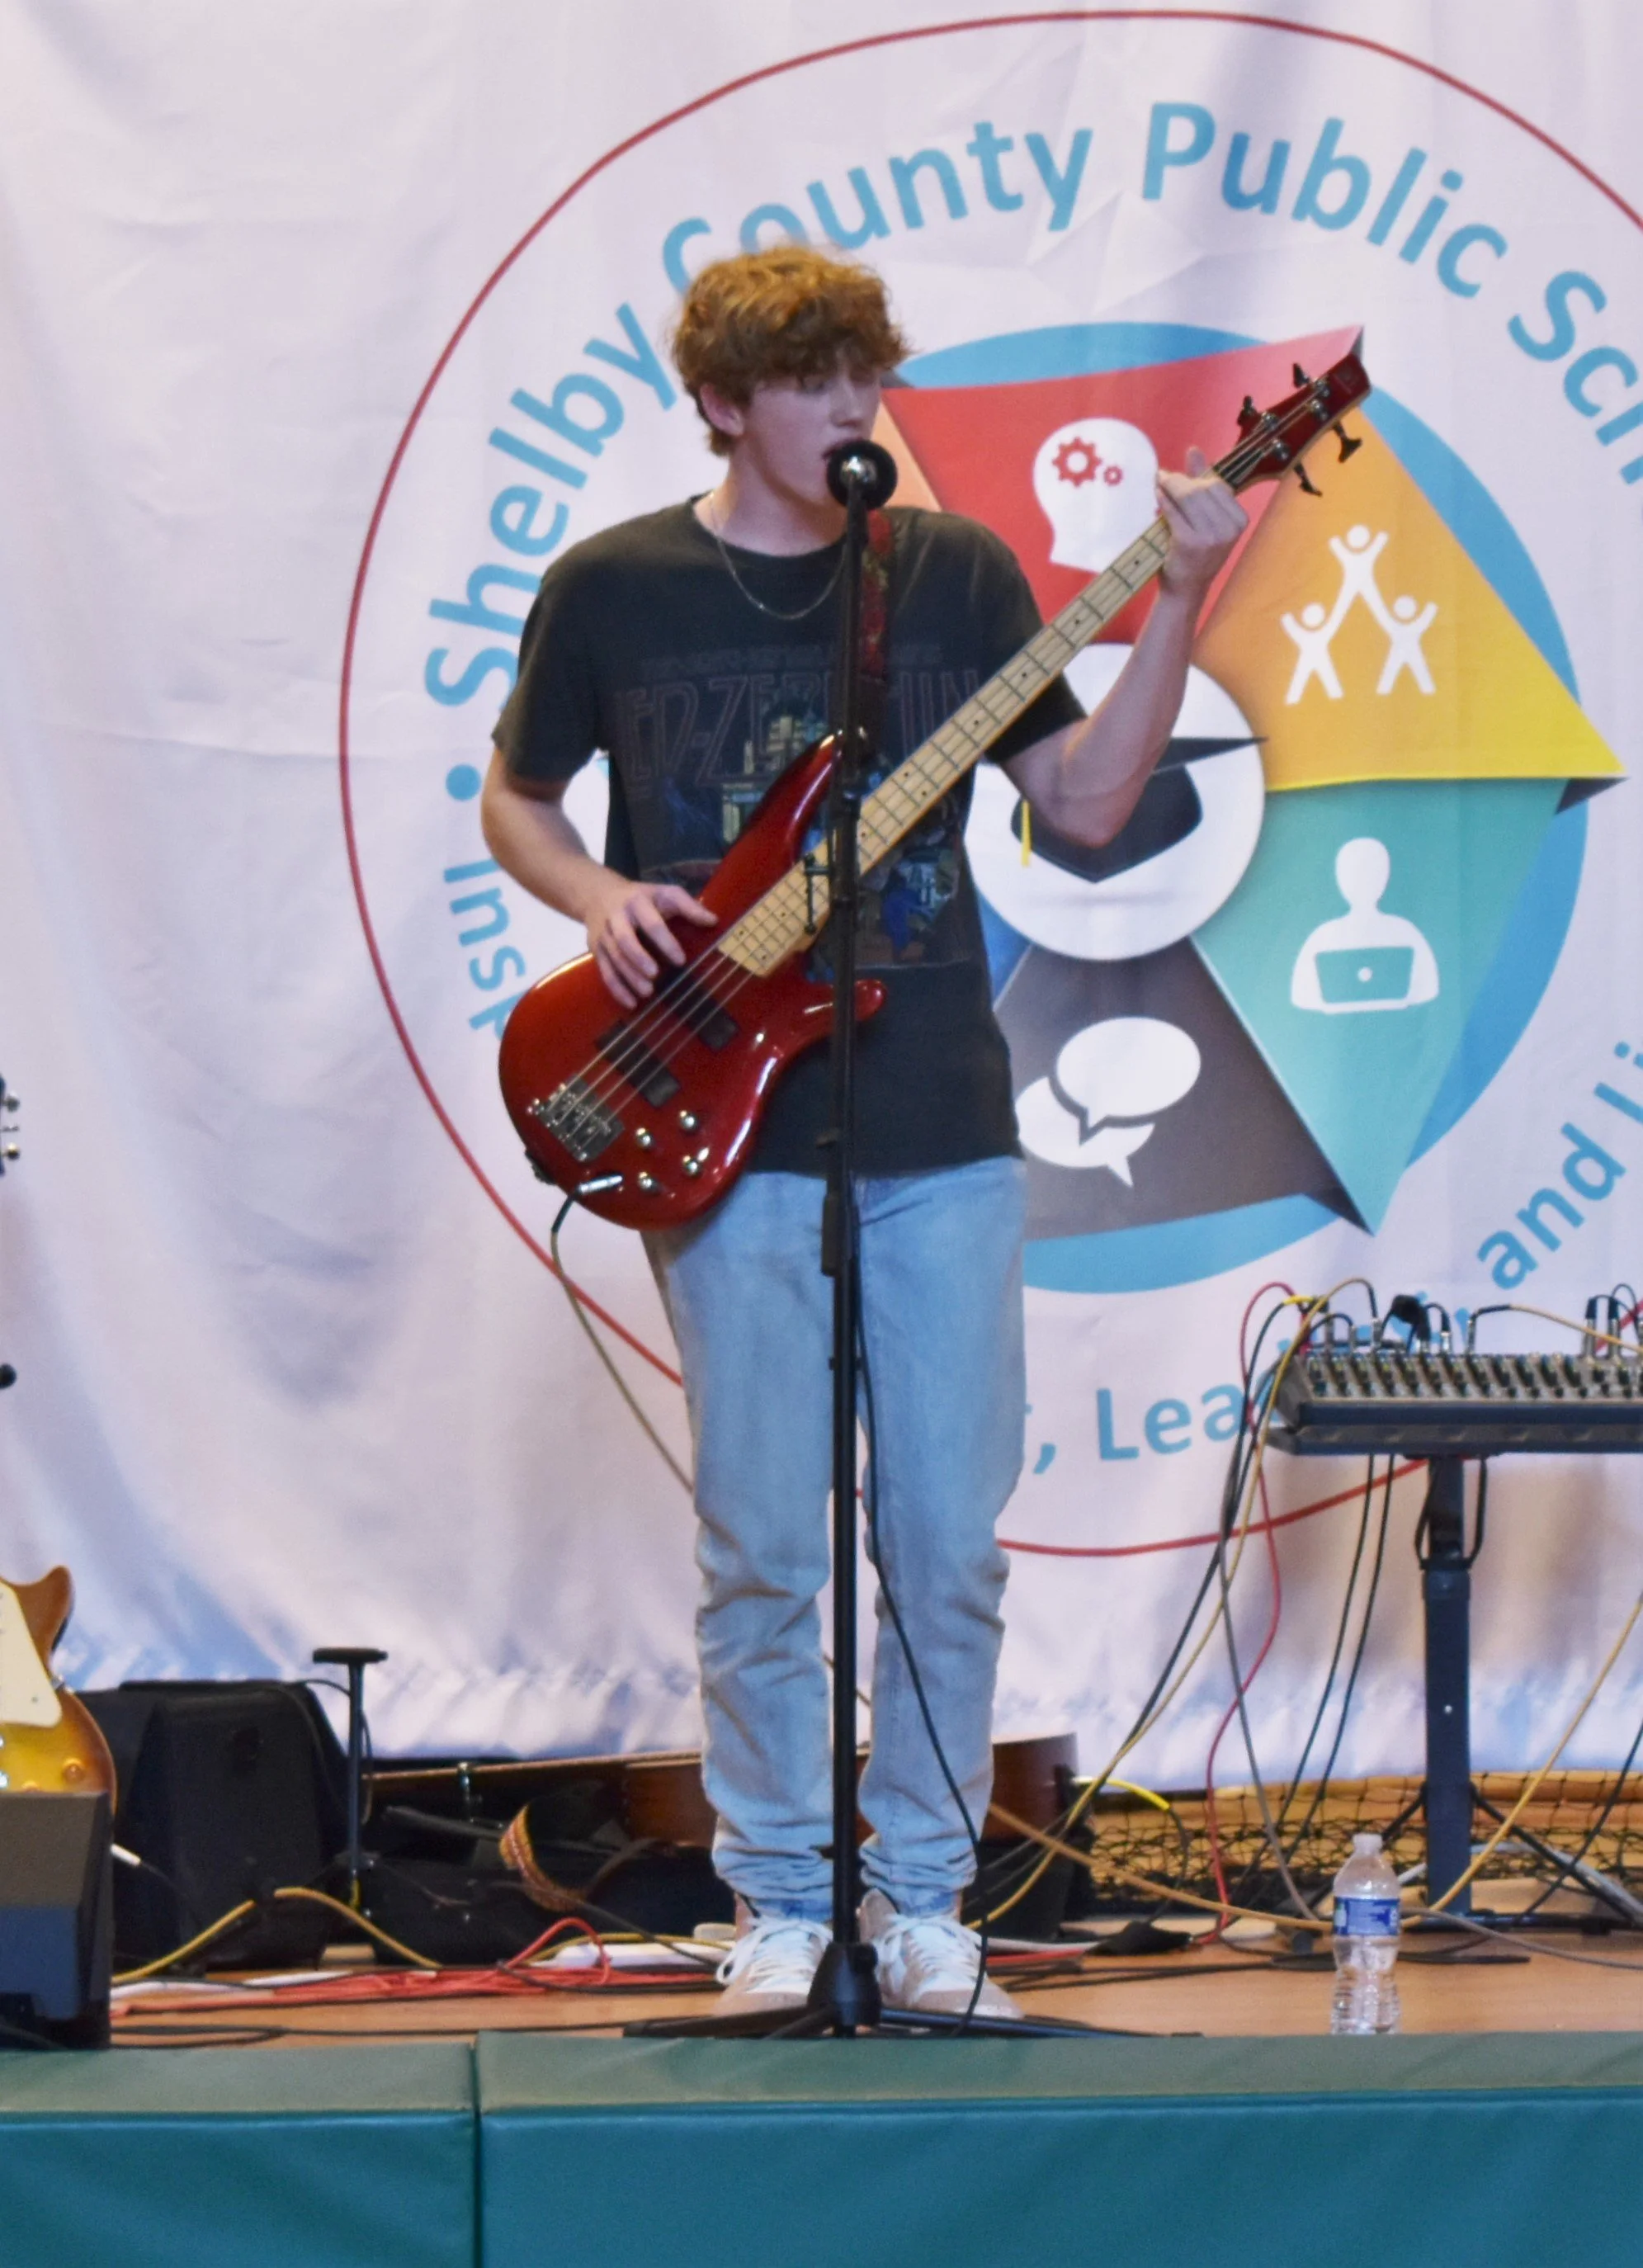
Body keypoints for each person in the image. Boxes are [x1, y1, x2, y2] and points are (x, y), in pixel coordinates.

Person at [481, 247, 1244, 2017]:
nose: (851, 405)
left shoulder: (951, 573)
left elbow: (1085, 806)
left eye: (863, 372)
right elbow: (517, 800)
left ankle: (919, 1900)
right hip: (718, 1120)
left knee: (945, 1543)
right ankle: (774, 1895)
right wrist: (597, 897)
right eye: (811, 378)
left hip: (937, 1122)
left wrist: (1176, 603)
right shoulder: (612, 588)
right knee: (761, 1542)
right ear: (720, 403)